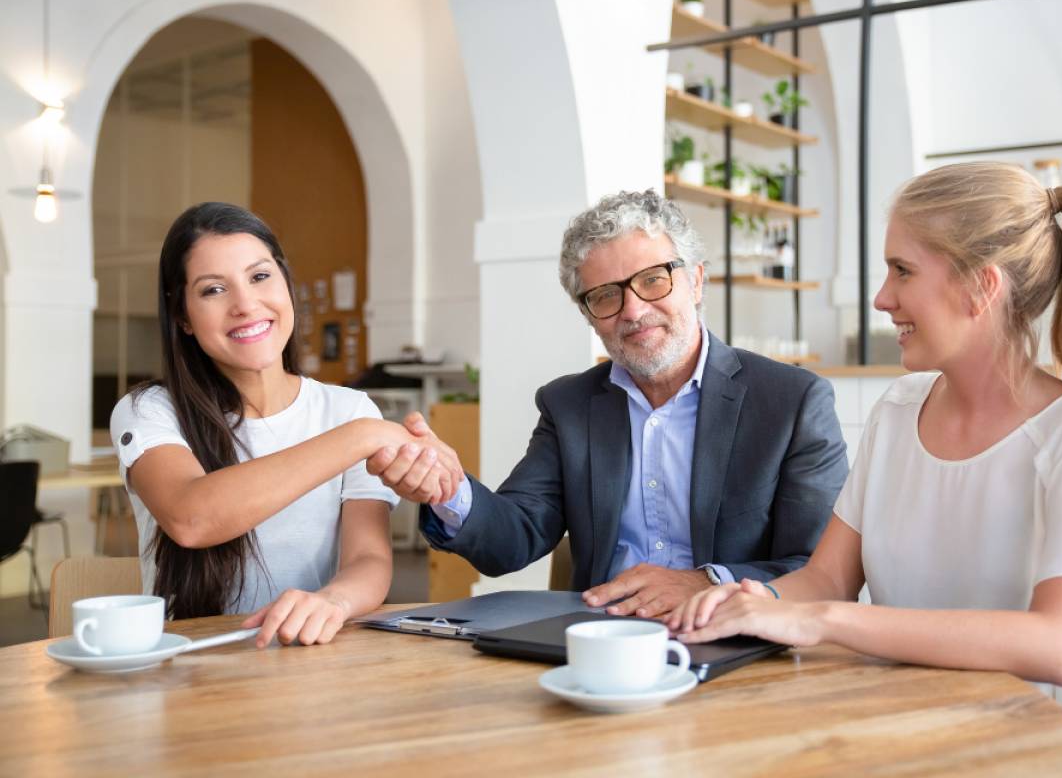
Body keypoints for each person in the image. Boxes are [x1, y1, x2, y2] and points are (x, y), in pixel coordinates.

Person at [667, 162, 1062, 776]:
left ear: (981, 287)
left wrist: (823, 621)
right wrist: (740, 600)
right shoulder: (898, 412)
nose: (881, 297)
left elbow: (1060, 646)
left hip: (1043, 743)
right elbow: (826, 582)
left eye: (902, 270)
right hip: (907, 719)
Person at [370, 189, 848, 617]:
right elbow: (513, 539)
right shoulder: (569, 404)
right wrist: (448, 489)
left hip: (737, 638)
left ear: (696, 282)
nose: (634, 311)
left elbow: (817, 570)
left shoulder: (792, 402)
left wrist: (704, 582)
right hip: (602, 640)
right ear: (589, 315)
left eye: (654, 280)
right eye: (605, 296)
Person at [110, 202, 461, 647]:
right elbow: (191, 517)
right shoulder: (148, 410)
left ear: (285, 284)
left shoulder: (348, 409)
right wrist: (364, 437)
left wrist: (333, 600)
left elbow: (368, 558)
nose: (245, 304)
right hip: (188, 668)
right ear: (183, 317)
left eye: (259, 277)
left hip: (308, 659)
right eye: (214, 290)